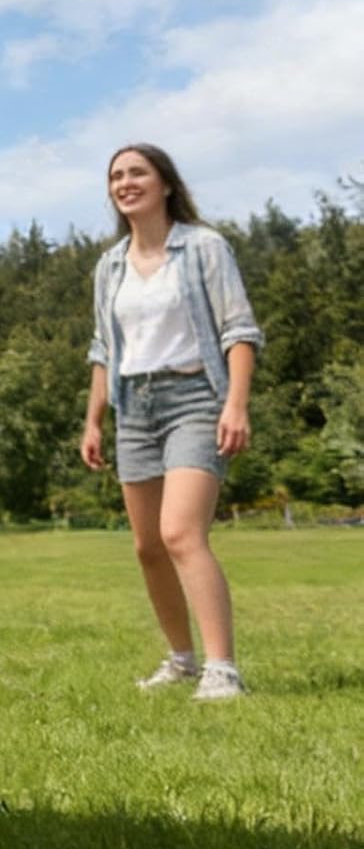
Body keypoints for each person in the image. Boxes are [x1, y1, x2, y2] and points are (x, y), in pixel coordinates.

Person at [80, 144, 263, 701]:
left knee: (181, 532)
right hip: (133, 407)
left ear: (165, 184)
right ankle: (181, 660)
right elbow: (103, 349)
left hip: (195, 398)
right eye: (116, 175)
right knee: (147, 546)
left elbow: (239, 331)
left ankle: (222, 669)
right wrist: (93, 421)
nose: (125, 182)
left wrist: (235, 404)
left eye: (138, 172)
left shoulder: (204, 247)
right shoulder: (110, 265)